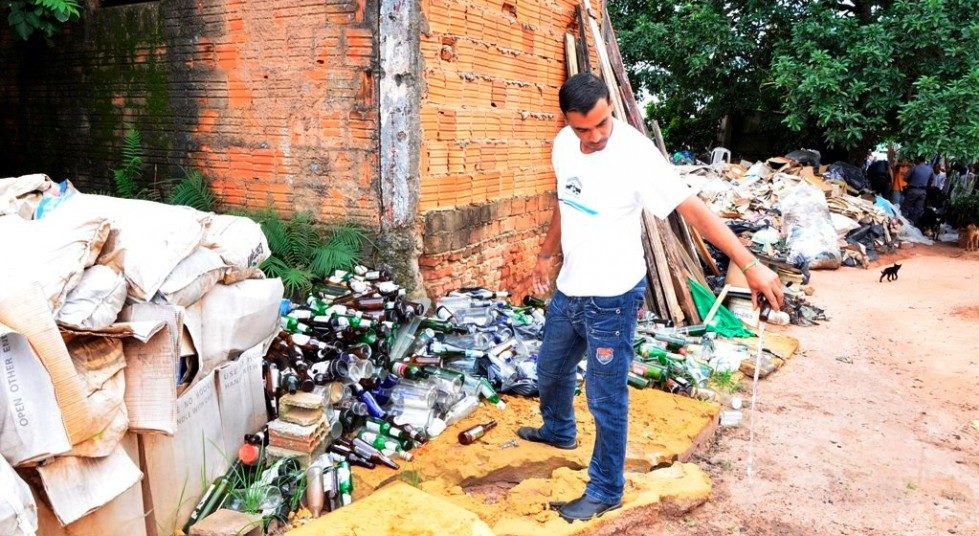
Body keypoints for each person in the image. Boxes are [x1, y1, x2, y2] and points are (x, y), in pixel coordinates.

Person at [519, 73, 785, 522]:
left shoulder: (636, 154)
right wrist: (546, 255)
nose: (595, 136)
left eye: (602, 124)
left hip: (613, 296)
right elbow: (567, 203)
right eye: (583, 128)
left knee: (605, 396)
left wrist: (750, 264)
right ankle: (559, 430)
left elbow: (693, 210)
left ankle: (606, 488)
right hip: (572, 287)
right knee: (550, 369)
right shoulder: (563, 144)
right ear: (566, 120)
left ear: (611, 107)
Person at [902, 157, 934, 226]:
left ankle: (902, 224)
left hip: (913, 190)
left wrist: (912, 181)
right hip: (923, 192)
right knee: (918, 209)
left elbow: (905, 178)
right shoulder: (930, 169)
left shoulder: (915, 168)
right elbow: (931, 182)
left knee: (905, 208)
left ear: (917, 160)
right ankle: (913, 225)